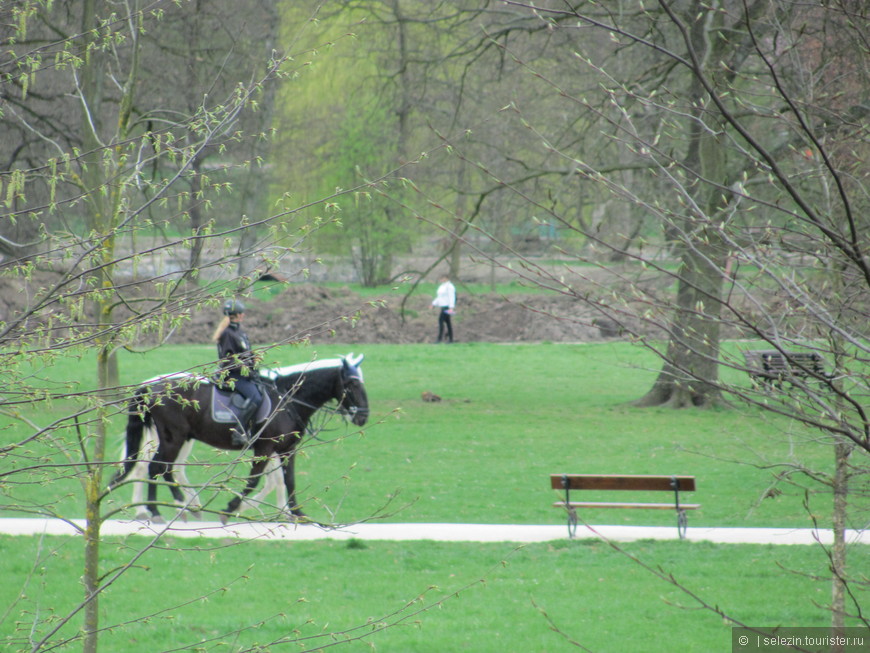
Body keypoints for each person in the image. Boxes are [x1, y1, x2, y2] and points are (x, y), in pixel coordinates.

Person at [212, 298, 263, 445]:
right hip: (233, 376)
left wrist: (254, 361)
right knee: (255, 397)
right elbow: (228, 360)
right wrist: (245, 368)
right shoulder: (228, 333)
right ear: (238, 315)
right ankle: (238, 432)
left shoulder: (239, 331)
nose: (244, 315)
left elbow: (245, 353)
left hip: (245, 374)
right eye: (242, 313)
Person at [431, 274, 456, 343]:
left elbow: (452, 297)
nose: (441, 280)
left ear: (446, 278)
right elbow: (439, 297)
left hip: (447, 307)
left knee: (441, 321)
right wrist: (433, 304)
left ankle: (439, 339)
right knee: (448, 323)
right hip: (442, 306)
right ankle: (450, 339)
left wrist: (451, 307)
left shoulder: (450, 287)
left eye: (442, 278)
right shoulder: (442, 286)